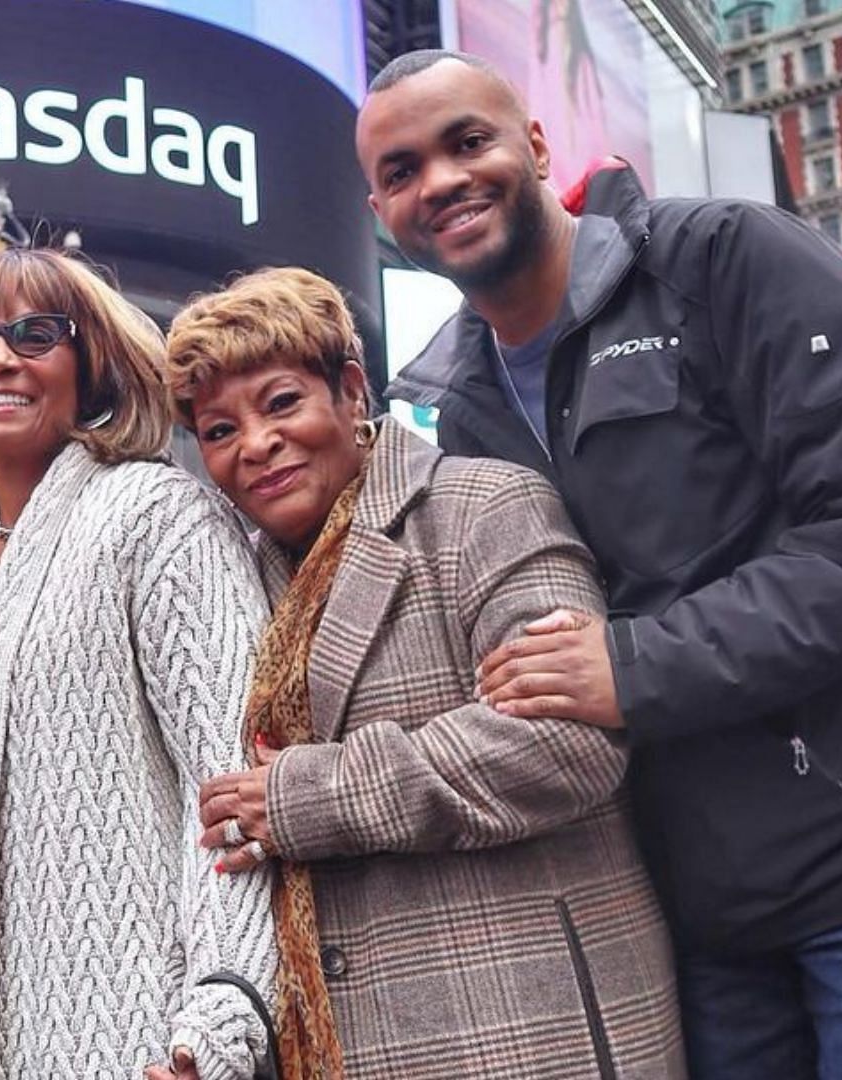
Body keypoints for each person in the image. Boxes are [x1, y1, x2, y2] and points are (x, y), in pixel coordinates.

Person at [364, 50, 842, 1078]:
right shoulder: (462, 409)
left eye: (466, 142)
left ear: (536, 146)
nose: (441, 182)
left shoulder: (723, 257)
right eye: (402, 171)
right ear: (382, 209)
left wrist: (634, 668)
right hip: (706, 919)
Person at [165, 266, 683, 1079]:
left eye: (280, 404)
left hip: (524, 1030)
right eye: (219, 431)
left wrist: (309, 797)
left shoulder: (483, 506)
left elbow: (567, 742)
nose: (256, 446)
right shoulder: (236, 581)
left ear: (349, 389)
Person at [0, 247, 276, 1080]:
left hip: (140, 1039)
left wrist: (219, 1019)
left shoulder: (159, 515)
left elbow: (233, 789)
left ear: (91, 365)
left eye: (33, 333)